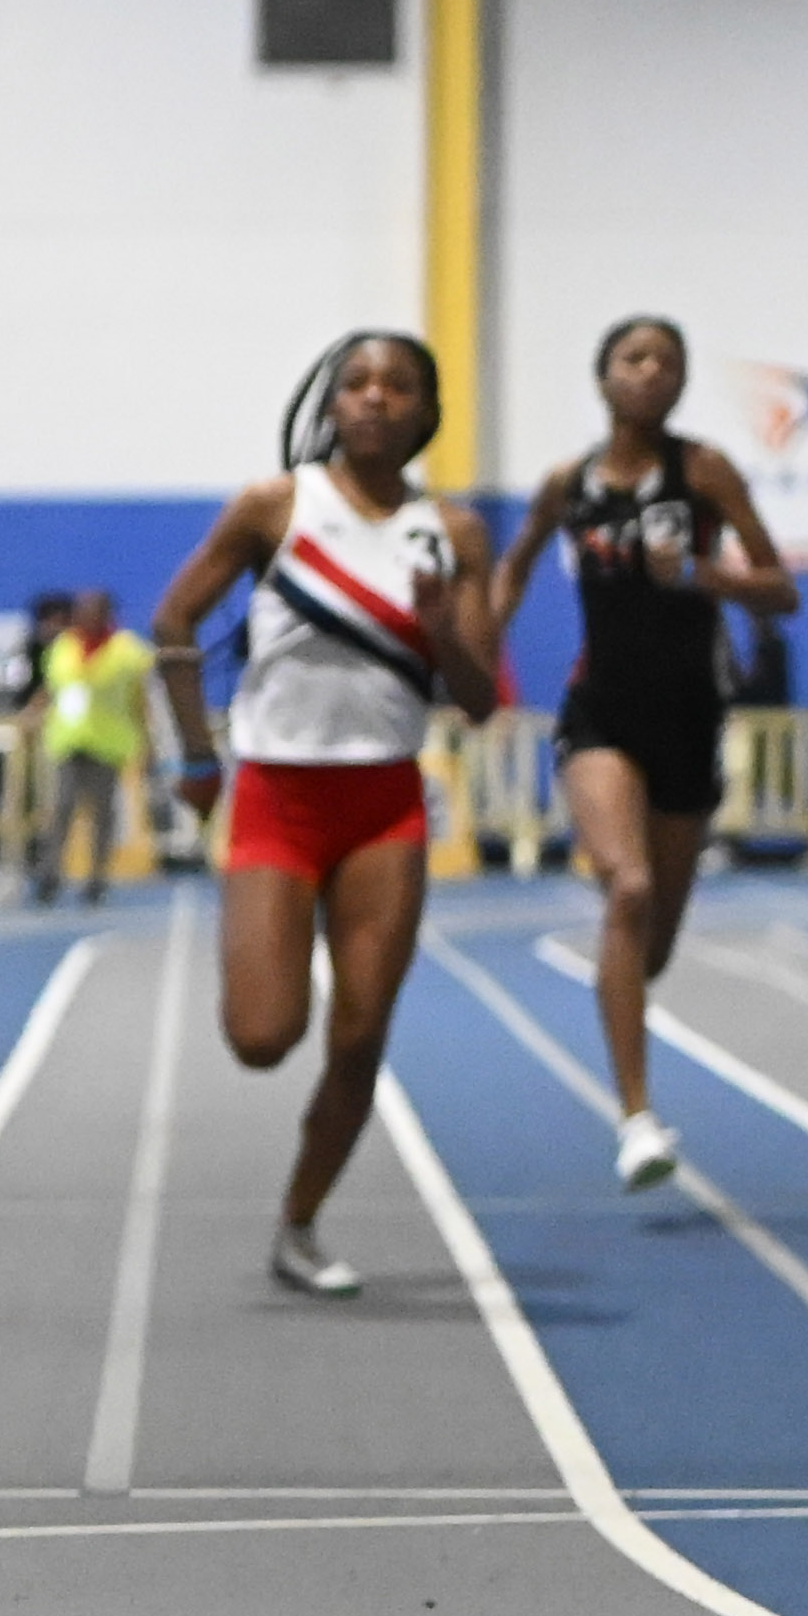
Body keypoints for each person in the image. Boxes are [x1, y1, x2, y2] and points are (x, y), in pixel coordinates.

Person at [153, 330, 500, 1296]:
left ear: (427, 410)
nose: (377, 400)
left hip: (383, 800)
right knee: (263, 1036)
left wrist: (439, 628)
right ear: (329, 401)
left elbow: (478, 701)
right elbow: (174, 620)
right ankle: (272, 967)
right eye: (358, 383)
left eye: (399, 386)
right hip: (277, 795)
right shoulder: (275, 506)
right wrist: (193, 752)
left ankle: (299, 1223)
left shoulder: (457, 534)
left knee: (359, 1036)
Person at [490, 315, 792, 1190]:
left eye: (668, 361)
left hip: (691, 719)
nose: (651, 373)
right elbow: (512, 570)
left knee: (649, 943)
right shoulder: (567, 484)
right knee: (627, 890)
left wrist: (702, 576)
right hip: (602, 716)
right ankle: (637, 1119)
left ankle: (630, 1009)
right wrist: (476, 659)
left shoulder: (703, 473)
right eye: (634, 358)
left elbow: (780, 590)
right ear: (603, 377)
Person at [24, 588, 154, 905]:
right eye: (80, 611)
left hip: (108, 743)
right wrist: (31, 713)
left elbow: (142, 699)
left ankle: (97, 879)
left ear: (106, 614)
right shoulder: (63, 647)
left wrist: (148, 740)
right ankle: (49, 875)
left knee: (102, 815)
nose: (83, 617)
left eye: (91, 611)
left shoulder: (129, 651)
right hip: (67, 740)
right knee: (60, 809)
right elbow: (52, 687)